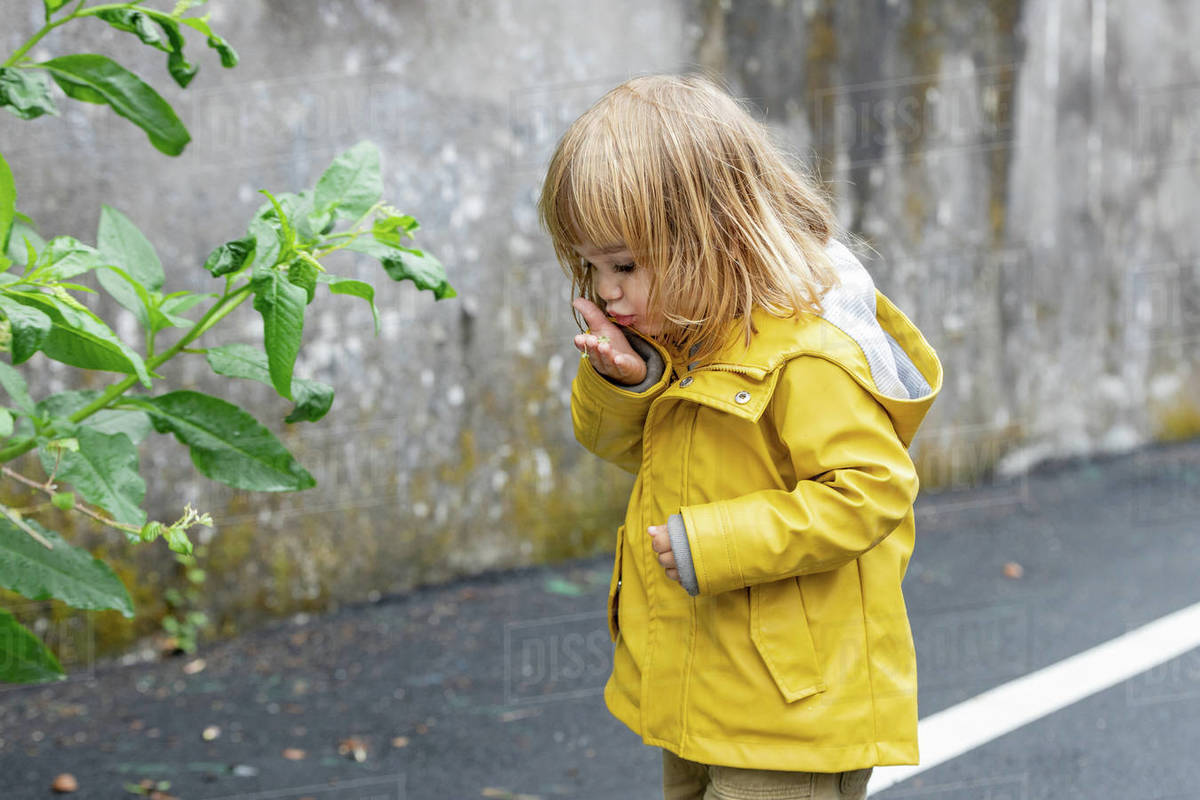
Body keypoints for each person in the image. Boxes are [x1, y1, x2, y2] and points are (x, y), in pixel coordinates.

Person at [536, 73, 943, 800]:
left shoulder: (805, 354)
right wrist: (632, 381)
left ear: (711, 234)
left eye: (624, 265)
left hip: (792, 713)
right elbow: (636, 454)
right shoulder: (695, 340)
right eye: (594, 269)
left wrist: (715, 543)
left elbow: (873, 491)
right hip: (705, 682)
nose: (606, 292)